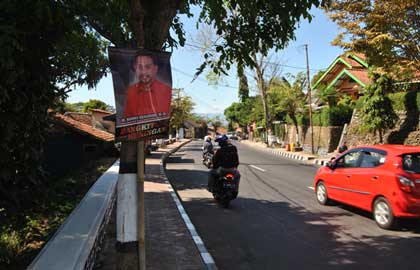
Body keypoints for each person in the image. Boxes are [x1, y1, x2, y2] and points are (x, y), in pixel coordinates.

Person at [123, 54, 171, 121]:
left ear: (155, 69)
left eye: (147, 67)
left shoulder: (166, 91)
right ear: (135, 68)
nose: (143, 72)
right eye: (140, 67)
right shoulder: (131, 91)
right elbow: (126, 120)